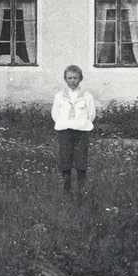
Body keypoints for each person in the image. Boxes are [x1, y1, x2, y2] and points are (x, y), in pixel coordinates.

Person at [52, 64, 96, 192]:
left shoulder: (87, 96)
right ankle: (67, 189)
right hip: (65, 131)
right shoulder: (60, 96)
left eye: (75, 78)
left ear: (80, 79)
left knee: (81, 158)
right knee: (65, 158)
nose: (73, 81)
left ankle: (81, 188)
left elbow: (91, 114)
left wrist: (80, 123)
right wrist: (65, 123)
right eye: (70, 78)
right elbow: (56, 113)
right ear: (65, 79)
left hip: (81, 131)